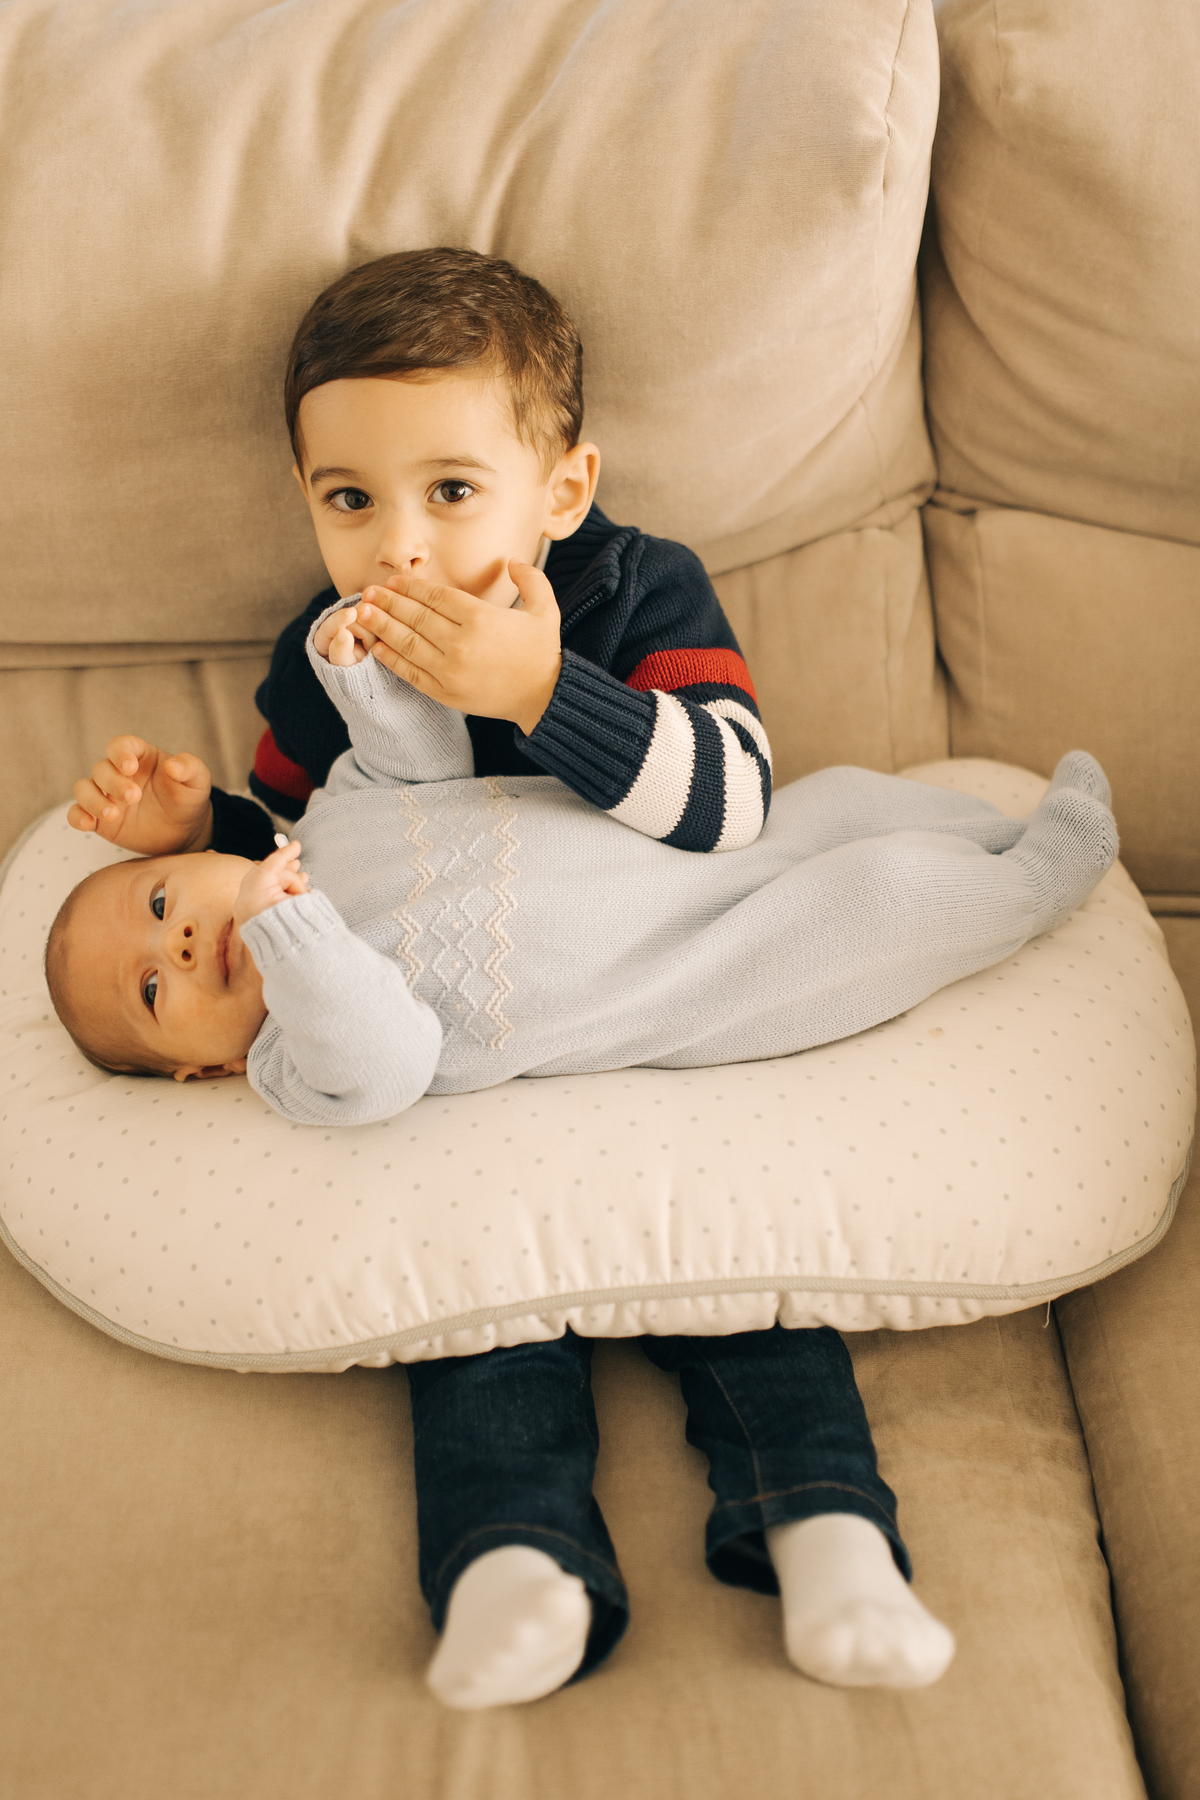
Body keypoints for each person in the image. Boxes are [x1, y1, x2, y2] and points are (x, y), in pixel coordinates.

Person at [204, 246, 772, 864]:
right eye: (351, 498)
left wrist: (540, 691)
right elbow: (293, 837)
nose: (397, 550)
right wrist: (204, 828)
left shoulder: (637, 592)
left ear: (562, 494)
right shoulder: (319, 659)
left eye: (452, 490)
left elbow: (738, 803)